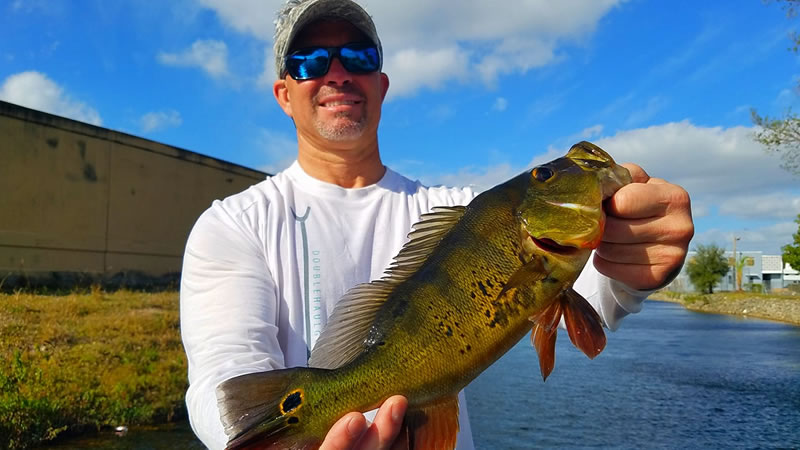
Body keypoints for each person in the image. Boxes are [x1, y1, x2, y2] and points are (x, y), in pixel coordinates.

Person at [179, 0, 695, 448]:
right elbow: (225, 379)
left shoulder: (462, 209)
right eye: (310, 60)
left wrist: (636, 262)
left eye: (358, 56)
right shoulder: (233, 224)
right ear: (283, 94)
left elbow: (592, 290)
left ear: (380, 85)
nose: (337, 73)